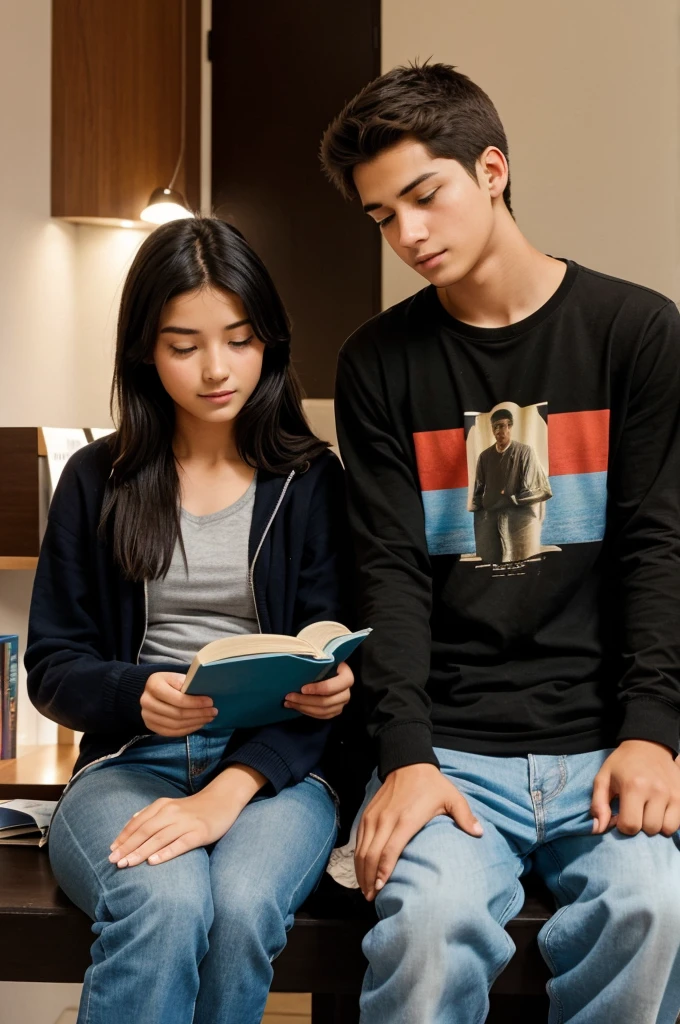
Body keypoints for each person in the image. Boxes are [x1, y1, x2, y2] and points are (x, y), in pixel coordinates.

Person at [321, 61, 680, 1023]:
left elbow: (657, 547)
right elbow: (388, 572)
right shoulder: (377, 363)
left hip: (603, 739)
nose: (409, 235)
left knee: (656, 909)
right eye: (381, 218)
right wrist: (406, 755)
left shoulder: (636, 333)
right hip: (453, 747)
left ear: (491, 169)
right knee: (425, 928)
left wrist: (652, 733)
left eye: (423, 196)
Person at [25, 217, 354, 1024]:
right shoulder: (97, 480)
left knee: (241, 908)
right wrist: (139, 693)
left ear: (268, 340)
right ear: (144, 349)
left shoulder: (312, 482)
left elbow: (338, 654)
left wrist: (328, 691)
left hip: (278, 773)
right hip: (131, 762)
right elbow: (52, 667)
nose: (217, 369)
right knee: (164, 905)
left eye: (240, 340)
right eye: (184, 345)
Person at [471, 407, 552, 563]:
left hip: (519, 517)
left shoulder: (525, 452)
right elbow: (478, 491)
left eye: (502, 426)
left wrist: (512, 497)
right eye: (495, 427)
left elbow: (540, 490)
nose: (498, 431)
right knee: (492, 559)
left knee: (519, 558)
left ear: (510, 426)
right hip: (492, 517)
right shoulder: (485, 456)